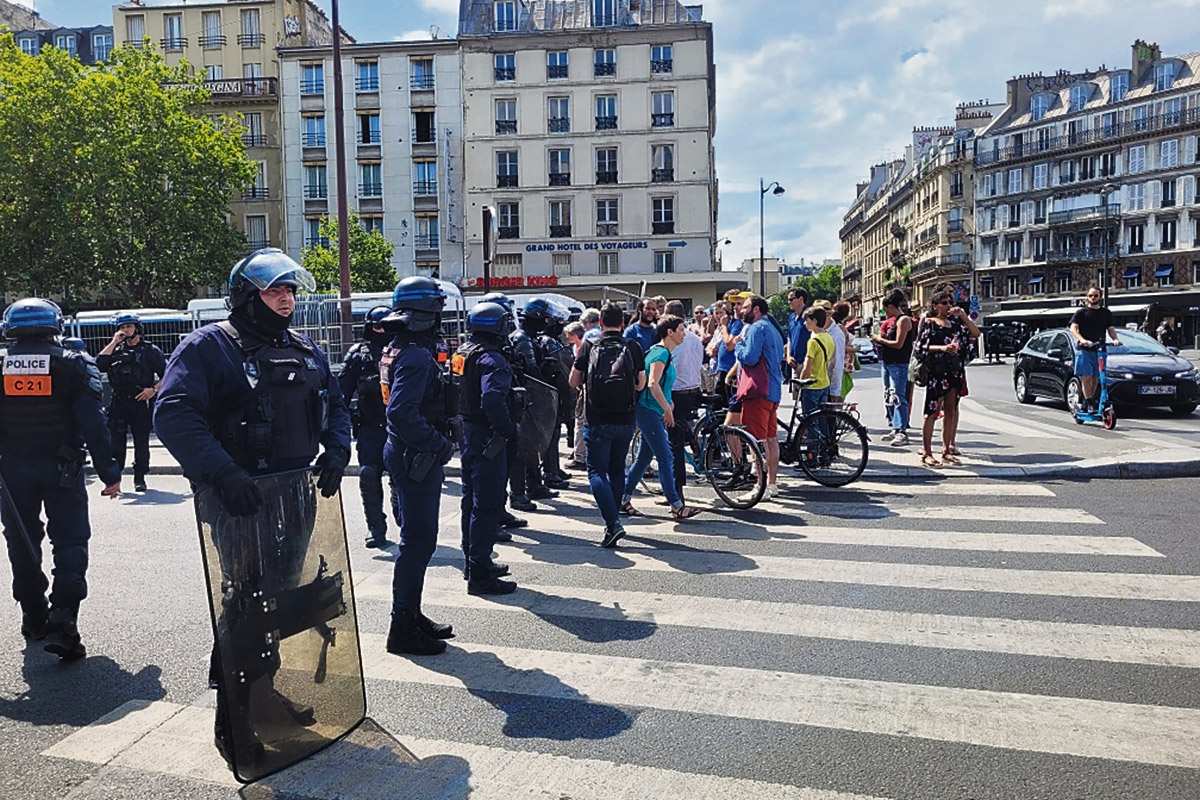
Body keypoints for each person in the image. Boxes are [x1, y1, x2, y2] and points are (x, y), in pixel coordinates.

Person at [153, 248, 352, 768]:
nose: (286, 299)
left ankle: (264, 694)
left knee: (281, 599)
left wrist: (337, 449)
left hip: (295, 495)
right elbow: (173, 414)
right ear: (246, 297)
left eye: (290, 291)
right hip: (240, 500)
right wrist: (222, 472)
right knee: (246, 605)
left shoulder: (303, 348)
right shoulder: (210, 346)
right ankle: (233, 720)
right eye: (273, 290)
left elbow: (336, 404)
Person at [0, 299, 122, 662]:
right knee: (69, 542)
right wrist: (109, 473)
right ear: (56, 326)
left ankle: (34, 616)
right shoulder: (73, 364)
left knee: (21, 542)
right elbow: (94, 424)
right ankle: (64, 619)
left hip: (12, 472)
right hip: (62, 470)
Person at [378, 278, 456, 656]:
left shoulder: (399, 347)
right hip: (415, 455)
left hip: (406, 453)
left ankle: (410, 613)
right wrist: (438, 444)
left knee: (417, 540)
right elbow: (402, 413)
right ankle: (402, 626)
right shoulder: (415, 355)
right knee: (417, 542)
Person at [454, 302, 519, 595]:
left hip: (468, 433)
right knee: (488, 504)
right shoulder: (493, 359)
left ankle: (473, 561)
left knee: (471, 500)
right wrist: (505, 429)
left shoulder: (464, 352)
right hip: (487, 437)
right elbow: (492, 399)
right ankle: (480, 573)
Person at [570, 302, 647, 547]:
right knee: (616, 470)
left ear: (600, 322)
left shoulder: (589, 346)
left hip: (597, 418)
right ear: (623, 323)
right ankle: (613, 522)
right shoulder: (633, 346)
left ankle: (612, 523)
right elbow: (641, 384)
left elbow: (574, 381)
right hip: (625, 418)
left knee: (596, 471)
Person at [620, 314, 702, 523]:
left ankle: (623, 497)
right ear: (670, 332)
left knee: (643, 459)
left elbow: (660, 385)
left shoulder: (663, 352)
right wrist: (667, 408)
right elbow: (652, 383)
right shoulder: (660, 353)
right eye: (681, 329)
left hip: (651, 410)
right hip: (648, 411)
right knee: (666, 457)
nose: (684, 333)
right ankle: (676, 505)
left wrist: (668, 404)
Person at [339, 305, 395, 549]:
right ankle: (376, 528)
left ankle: (404, 519)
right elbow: (341, 393)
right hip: (370, 427)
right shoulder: (358, 355)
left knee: (403, 478)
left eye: (387, 326)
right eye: (377, 326)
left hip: (400, 428)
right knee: (368, 475)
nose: (382, 331)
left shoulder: (404, 351)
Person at [96, 313, 166, 492]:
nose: (125, 330)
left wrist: (153, 390)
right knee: (116, 442)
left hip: (140, 401)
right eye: (122, 327)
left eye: (128, 326)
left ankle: (140, 477)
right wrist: (114, 342)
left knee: (141, 441)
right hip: (119, 401)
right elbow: (99, 365)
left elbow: (168, 374)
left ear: (137, 328)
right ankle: (115, 479)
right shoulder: (116, 350)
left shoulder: (150, 351)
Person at [914, 291, 980, 467]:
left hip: (954, 372)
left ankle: (946, 449)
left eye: (950, 302)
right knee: (932, 412)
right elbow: (920, 348)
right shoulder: (930, 323)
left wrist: (964, 316)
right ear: (935, 305)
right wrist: (942, 348)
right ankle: (927, 452)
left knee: (951, 410)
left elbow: (976, 333)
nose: (948, 305)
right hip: (937, 372)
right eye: (943, 302)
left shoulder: (957, 323)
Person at [733, 294, 786, 499]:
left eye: (745, 307)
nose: (741, 311)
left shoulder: (756, 328)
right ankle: (771, 484)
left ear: (756, 309)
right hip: (773, 389)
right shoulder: (773, 328)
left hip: (758, 390)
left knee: (755, 440)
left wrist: (738, 345)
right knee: (771, 439)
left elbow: (750, 356)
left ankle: (760, 486)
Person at [664, 300, 703, 504]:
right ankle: (694, 442)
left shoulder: (674, 342)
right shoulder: (695, 339)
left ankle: (677, 493)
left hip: (677, 394)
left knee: (674, 445)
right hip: (694, 390)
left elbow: (671, 369)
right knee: (682, 431)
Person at [871, 289, 914, 447]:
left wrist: (879, 339)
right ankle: (895, 427)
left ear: (890, 306)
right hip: (888, 363)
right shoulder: (894, 320)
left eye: (885, 309)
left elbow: (898, 344)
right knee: (889, 396)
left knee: (899, 397)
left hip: (899, 363)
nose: (885, 312)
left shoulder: (903, 320)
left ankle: (901, 430)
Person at [1069, 287, 1121, 414]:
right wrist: (1082, 340)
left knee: (1097, 377)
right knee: (1087, 376)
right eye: (1091, 296)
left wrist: (1115, 339)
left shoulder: (1106, 313)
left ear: (1100, 297)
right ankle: (1088, 401)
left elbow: (1111, 328)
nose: (1093, 298)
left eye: (1096, 296)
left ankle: (1091, 400)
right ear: (1087, 297)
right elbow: (1073, 328)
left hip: (1099, 349)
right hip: (1085, 349)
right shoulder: (1081, 313)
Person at [567, 308, 603, 470]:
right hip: (607, 387)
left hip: (589, 385)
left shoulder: (588, 338)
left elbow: (580, 364)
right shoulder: (606, 334)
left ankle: (581, 457)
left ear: (588, 322)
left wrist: (577, 384)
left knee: (582, 421)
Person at [798, 306, 834, 428]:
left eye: (807, 320)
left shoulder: (813, 342)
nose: (804, 323)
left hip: (812, 385)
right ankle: (824, 445)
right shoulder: (829, 338)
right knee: (822, 418)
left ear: (815, 321)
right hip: (824, 383)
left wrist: (800, 382)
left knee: (810, 422)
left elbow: (807, 368)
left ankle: (813, 446)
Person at [784, 288, 810, 389]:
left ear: (801, 299)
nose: (789, 302)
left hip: (806, 362)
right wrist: (788, 356)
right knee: (796, 396)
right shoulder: (791, 317)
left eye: (791, 299)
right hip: (794, 363)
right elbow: (789, 338)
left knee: (806, 396)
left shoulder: (809, 316)